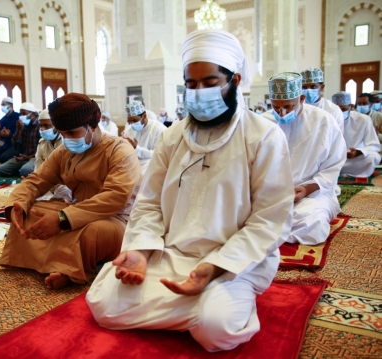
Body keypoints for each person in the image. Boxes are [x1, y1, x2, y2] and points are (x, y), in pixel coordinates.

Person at [86, 29, 294, 352]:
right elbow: (149, 203)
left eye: (210, 83)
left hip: (229, 265)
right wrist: (141, 252)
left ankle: (211, 304)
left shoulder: (263, 137)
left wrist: (213, 268)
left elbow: (270, 219)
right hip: (169, 255)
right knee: (101, 301)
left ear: (234, 80)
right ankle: (190, 310)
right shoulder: (174, 137)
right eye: (192, 85)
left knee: (216, 327)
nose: (199, 92)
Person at [0, 93, 141, 290]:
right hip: (75, 211)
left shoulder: (119, 150)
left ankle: (70, 270)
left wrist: (62, 219)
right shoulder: (65, 151)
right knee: (32, 213)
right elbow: (37, 180)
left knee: (90, 232)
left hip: (115, 219)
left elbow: (115, 198)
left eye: (72, 133)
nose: (66, 139)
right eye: (62, 133)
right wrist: (18, 205)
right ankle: (64, 264)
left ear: (92, 126)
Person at [263, 72, 346, 245]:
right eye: (276, 107)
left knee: (312, 222)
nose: (282, 113)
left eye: (288, 106)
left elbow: (333, 164)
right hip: (270, 195)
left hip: (313, 194)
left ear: (301, 98)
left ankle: (265, 234)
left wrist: (307, 189)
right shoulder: (263, 122)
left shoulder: (323, 121)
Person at [332, 92, 380, 177]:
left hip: (354, 160)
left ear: (351, 107)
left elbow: (374, 145)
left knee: (373, 157)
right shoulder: (327, 119)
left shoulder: (363, 120)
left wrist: (358, 152)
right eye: (337, 110)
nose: (339, 113)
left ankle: (353, 174)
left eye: (343, 109)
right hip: (334, 160)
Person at [33, 109, 72, 201]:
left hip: (64, 183)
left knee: (67, 192)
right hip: (47, 182)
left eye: (46, 125)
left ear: (57, 126)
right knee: (29, 191)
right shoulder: (42, 143)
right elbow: (38, 168)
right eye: (41, 126)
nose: (42, 129)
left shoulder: (68, 143)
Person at [122, 100, 166, 175]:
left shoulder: (159, 129)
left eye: (135, 120)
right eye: (129, 121)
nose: (132, 124)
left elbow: (158, 154)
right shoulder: (129, 130)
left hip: (150, 164)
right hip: (131, 164)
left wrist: (136, 148)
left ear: (144, 116)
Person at [0, 102, 40, 177]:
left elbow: (43, 150)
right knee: (1, 169)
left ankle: (26, 170)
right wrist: (19, 130)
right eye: (21, 114)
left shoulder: (40, 126)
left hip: (36, 157)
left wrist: (28, 157)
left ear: (32, 114)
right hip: (24, 157)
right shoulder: (23, 126)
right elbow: (16, 146)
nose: (21, 116)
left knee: (25, 170)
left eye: (24, 113)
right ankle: (24, 169)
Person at [301, 68, 344, 133]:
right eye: (304, 87)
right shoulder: (297, 108)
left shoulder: (333, 110)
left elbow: (337, 137)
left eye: (313, 87)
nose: (308, 90)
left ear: (322, 87)